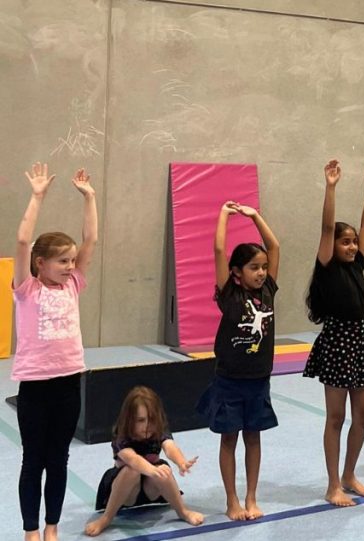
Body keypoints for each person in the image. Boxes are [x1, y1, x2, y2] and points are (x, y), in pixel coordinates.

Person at [13, 163, 98, 541]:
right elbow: (21, 242)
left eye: (72, 261)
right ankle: (31, 529)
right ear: (40, 263)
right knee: (33, 459)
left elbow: (91, 239)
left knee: (58, 459)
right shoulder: (27, 289)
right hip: (34, 385)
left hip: (67, 383)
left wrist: (90, 198)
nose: (70, 266)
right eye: (62, 261)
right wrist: (37, 197)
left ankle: (51, 525)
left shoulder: (73, 284)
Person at [303, 160, 364, 506]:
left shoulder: (356, 264)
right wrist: (331, 187)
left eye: (353, 243)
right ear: (332, 245)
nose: (351, 247)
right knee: (336, 417)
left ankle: (349, 473)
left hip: (360, 340)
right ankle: (333, 484)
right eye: (345, 242)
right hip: (337, 341)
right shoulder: (327, 266)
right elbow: (326, 226)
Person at [197, 200, 280, 521]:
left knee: (254, 437)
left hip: (259, 379)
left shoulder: (268, 290)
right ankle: (232, 499)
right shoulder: (229, 295)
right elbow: (219, 249)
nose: (261, 273)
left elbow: (274, 246)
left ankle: (251, 497)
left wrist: (255, 215)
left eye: (263, 267)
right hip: (229, 380)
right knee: (229, 438)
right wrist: (224, 214)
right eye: (254, 268)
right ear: (236, 272)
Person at [85, 386, 203, 536]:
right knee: (132, 470)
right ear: (129, 420)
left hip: (151, 489)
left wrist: (181, 462)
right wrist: (152, 470)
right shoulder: (121, 435)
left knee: (164, 470)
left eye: (152, 419)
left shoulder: (158, 430)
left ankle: (183, 511)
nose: (147, 426)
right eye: (140, 420)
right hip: (126, 493)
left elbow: (170, 447)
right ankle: (106, 518)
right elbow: (133, 459)